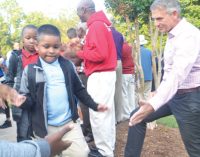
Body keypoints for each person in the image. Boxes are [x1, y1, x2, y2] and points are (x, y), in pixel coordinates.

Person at [124, 0, 200, 157]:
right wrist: (158, 92)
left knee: (195, 150)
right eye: (154, 19)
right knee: (136, 117)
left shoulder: (188, 35)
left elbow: (178, 74)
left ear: (174, 14)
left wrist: (153, 104)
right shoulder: (172, 35)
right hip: (172, 95)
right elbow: (170, 70)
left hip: (189, 99)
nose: (156, 24)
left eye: (159, 19)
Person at [19, 24, 108, 157]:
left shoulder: (67, 66)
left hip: (69, 123)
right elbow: (28, 99)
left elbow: (79, 89)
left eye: (56, 47)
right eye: (46, 46)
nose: (51, 51)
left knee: (81, 153)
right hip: (45, 128)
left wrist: (94, 105)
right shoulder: (30, 71)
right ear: (37, 46)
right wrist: (22, 100)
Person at [72, 0, 117, 156]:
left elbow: (100, 55)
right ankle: (107, 148)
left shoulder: (97, 25)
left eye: (77, 11)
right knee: (105, 115)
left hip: (100, 74)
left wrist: (78, 53)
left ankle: (104, 152)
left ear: (84, 9)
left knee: (99, 115)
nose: (77, 14)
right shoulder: (98, 24)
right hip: (103, 75)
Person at [5, 25, 38, 142]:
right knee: (23, 133)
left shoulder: (42, 56)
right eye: (28, 38)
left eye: (35, 38)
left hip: (40, 99)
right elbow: (9, 78)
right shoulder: (15, 57)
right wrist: (8, 96)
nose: (32, 41)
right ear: (22, 39)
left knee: (42, 133)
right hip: (22, 99)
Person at [110, 26, 124, 123]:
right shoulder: (120, 35)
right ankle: (118, 117)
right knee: (118, 91)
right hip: (119, 62)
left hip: (110, 62)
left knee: (110, 91)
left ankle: (112, 119)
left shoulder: (106, 33)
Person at [121, 41, 136, 121]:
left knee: (124, 94)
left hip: (124, 73)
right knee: (131, 93)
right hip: (131, 72)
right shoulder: (131, 48)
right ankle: (132, 111)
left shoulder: (121, 47)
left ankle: (127, 114)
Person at [139, 34, 153, 100]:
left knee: (138, 94)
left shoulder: (135, 52)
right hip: (148, 76)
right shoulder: (149, 52)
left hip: (138, 77)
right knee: (147, 94)